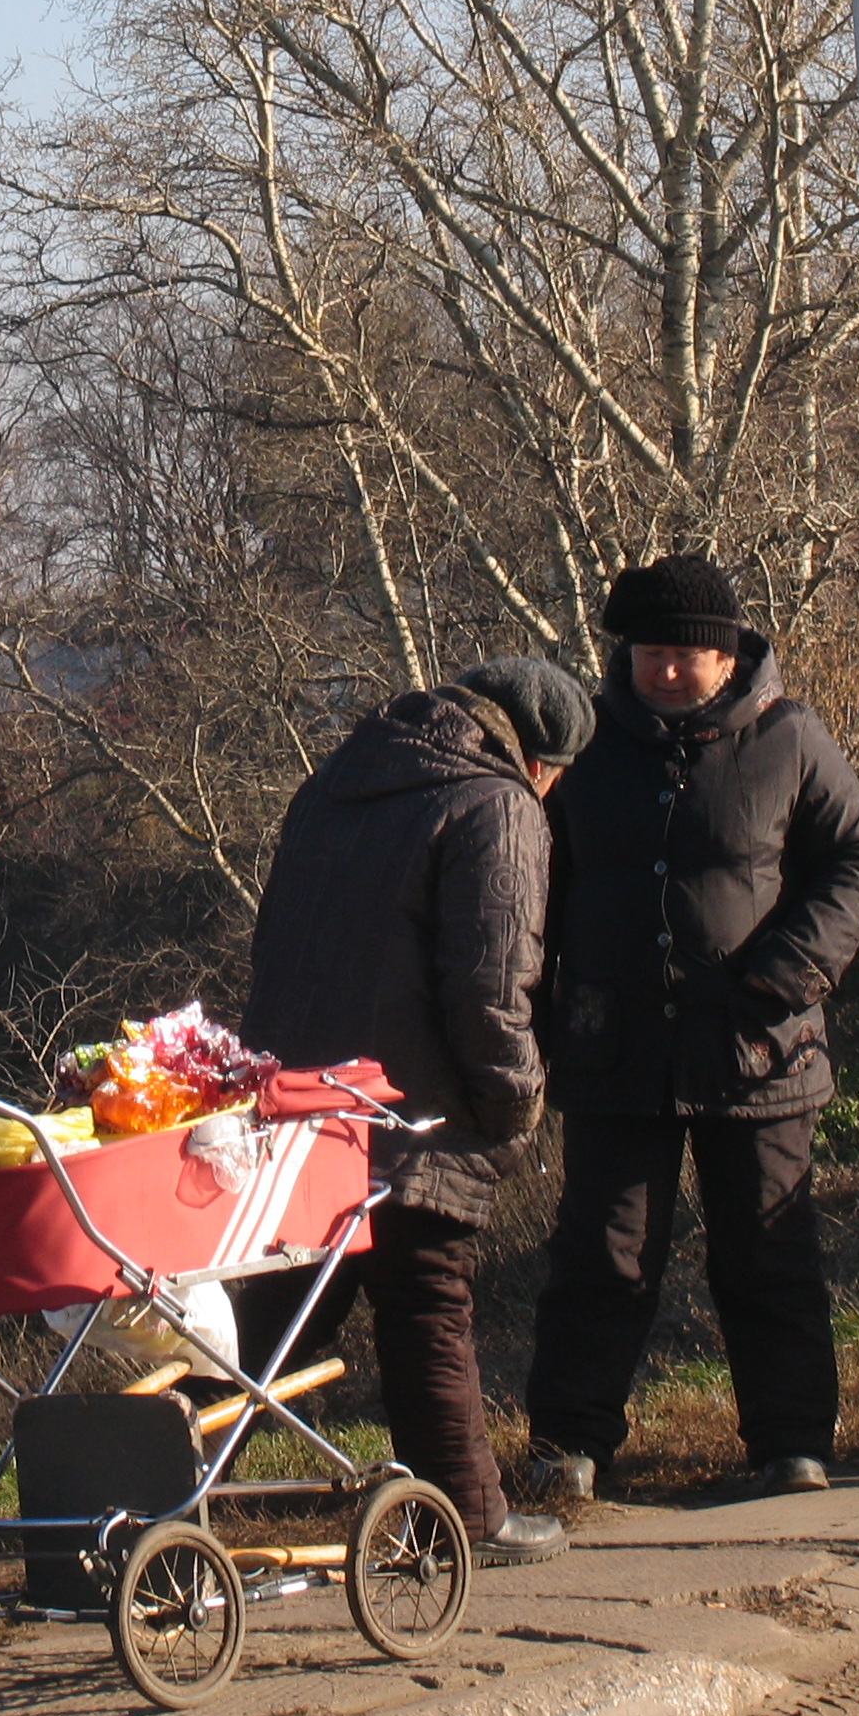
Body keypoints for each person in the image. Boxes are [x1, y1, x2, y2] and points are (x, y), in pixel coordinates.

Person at [523, 554, 859, 1502]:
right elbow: (536, 885)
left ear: (728, 658)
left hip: (760, 1046)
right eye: (650, 653)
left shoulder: (791, 737)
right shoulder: (584, 747)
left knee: (768, 1248)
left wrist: (787, 975)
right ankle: (568, 1446)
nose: (667, 670)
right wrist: (534, 1012)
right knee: (601, 1257)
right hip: (615, 1052)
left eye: (685, 655)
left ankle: (792, 1443)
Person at [239, 655, 596, 1565]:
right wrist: (515, 1103)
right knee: (427, 1301)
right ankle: (465, 1517)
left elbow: (276, 945)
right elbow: (492, 989)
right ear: (540, 761)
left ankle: (142, 1490)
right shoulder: (497, 806)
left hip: (299, 1101)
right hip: (411, 1110)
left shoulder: (335, 784)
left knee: (273, 1316)